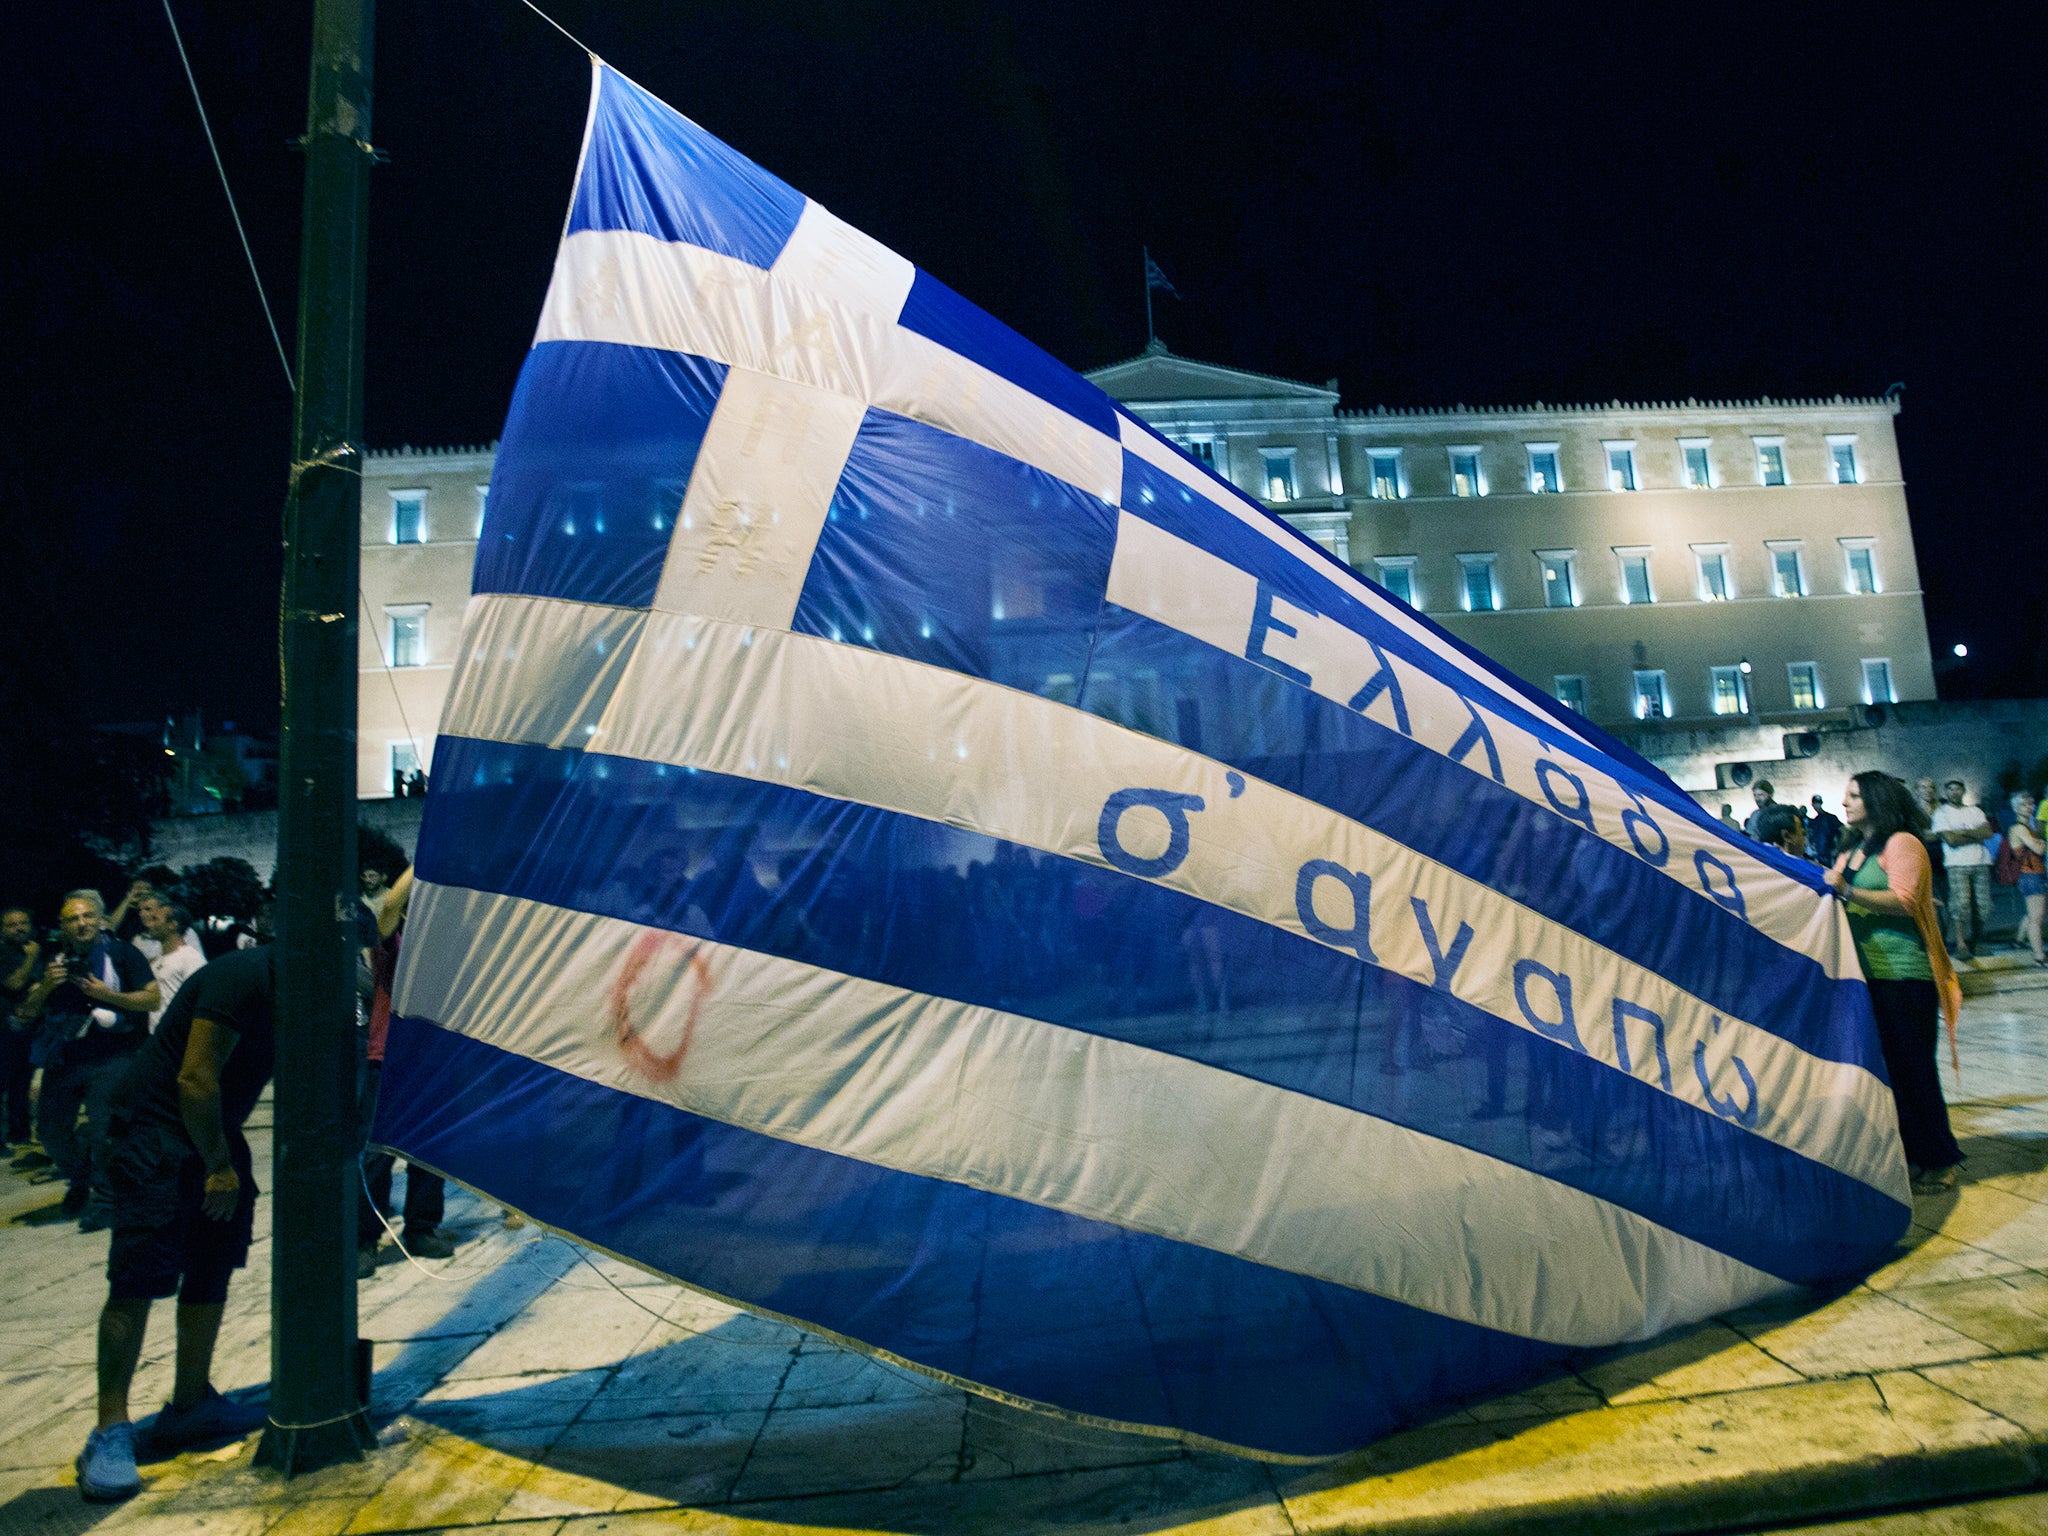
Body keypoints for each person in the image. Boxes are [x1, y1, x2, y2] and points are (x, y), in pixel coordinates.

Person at [74, 940, 277, 1501]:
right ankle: (109, 1431)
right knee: (138, 1280)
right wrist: (218, 1165)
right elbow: (195, 1078)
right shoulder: (244, 976)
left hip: (215, 1132)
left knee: (212, 1266)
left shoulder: (311, 989)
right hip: (158, 1132)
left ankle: (191, 1404)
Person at [1826, 772, 1964, 1194]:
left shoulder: (1902, 843)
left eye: (1854, 796)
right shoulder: (1852, 847)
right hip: (1864, 976)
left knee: (1915, 1070)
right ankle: (1911, 1154)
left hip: (1904, 975)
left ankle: (1939, 1159)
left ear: (1876, 800)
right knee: (1888, 1074)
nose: (1845, 802)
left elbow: (1907, 900)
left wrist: (1849, 891)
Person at [13, 892, 159, 1225]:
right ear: (62, 926)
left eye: (88, 917)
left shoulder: (122, 953)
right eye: (73, 919)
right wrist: (46, 986)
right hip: (66, 1057)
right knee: (50, 1129)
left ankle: (106, 1199)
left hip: (114, 1053)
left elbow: (152, 999)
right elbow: (27, 1012)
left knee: (103, 1128)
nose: (82, 924)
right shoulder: (52, 959)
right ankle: (81, 1179)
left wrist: (107, 996)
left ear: (99, 920)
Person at [358, 864, 453, 1273]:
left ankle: (421, 1228)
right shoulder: (392, 947)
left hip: (431, 1065)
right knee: (377, 1154)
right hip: (387, 1060)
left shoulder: (446, 954)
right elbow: (390, 905)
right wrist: (426, 853)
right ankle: (364, 1238)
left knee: (429, 1153)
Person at [1930, 780, 1995, 961]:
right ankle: (1961, 943)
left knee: (1983, 905)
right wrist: (1975, 834)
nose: (1954, 792)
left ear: (1963, 791)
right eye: (1950, 789)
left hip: (1981, 862)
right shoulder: (1941, 813)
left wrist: (1962, 834)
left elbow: (1988, 832)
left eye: (1957, 789)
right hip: (1957, 864)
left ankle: (1978, 939)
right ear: (1946, 792)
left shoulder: (1975, 811)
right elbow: (1950, 839)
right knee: (1961, 904)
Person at [2, 907, 41, 1148]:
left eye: (23, 923)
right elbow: (14, 983)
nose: (19, 928)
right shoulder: (6, 952)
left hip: (27, 1030)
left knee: (21, 1083)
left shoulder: (31, 949)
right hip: (4, 1029)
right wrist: (31, 957)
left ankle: (20, 1132)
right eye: (12, 924)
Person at [135, 896, 205, 1030]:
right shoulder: (156, 962)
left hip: (179, 1039)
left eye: (155, 919)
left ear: (173, 925)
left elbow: (200, 1000)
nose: (150, 924)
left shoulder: (190, 958)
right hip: (156, 1038)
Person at [2007, 791, 2046, 967]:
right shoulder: (2020, 828)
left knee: (2032, 913)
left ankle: (2018, 940)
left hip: (2033, 874)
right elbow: (2039, 849)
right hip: (2031, 875)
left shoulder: (2027, 827)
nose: (2029, 807)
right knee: (2037, 917)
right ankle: (2039, 956)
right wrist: (2041, 843)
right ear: (2015, 808)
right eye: (2024, 804)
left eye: (2031, 803)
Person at [1807, 795, 1844, 866]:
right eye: (1815, 803)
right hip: (1817, 855)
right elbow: (1810, 836)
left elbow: (1843, 832)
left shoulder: (1831, 818)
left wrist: (1838, 849)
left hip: (1830, 855)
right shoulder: (1814, 821)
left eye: (1819, 803)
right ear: (1812, 805)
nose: (1817, 805)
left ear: (1821, 803)